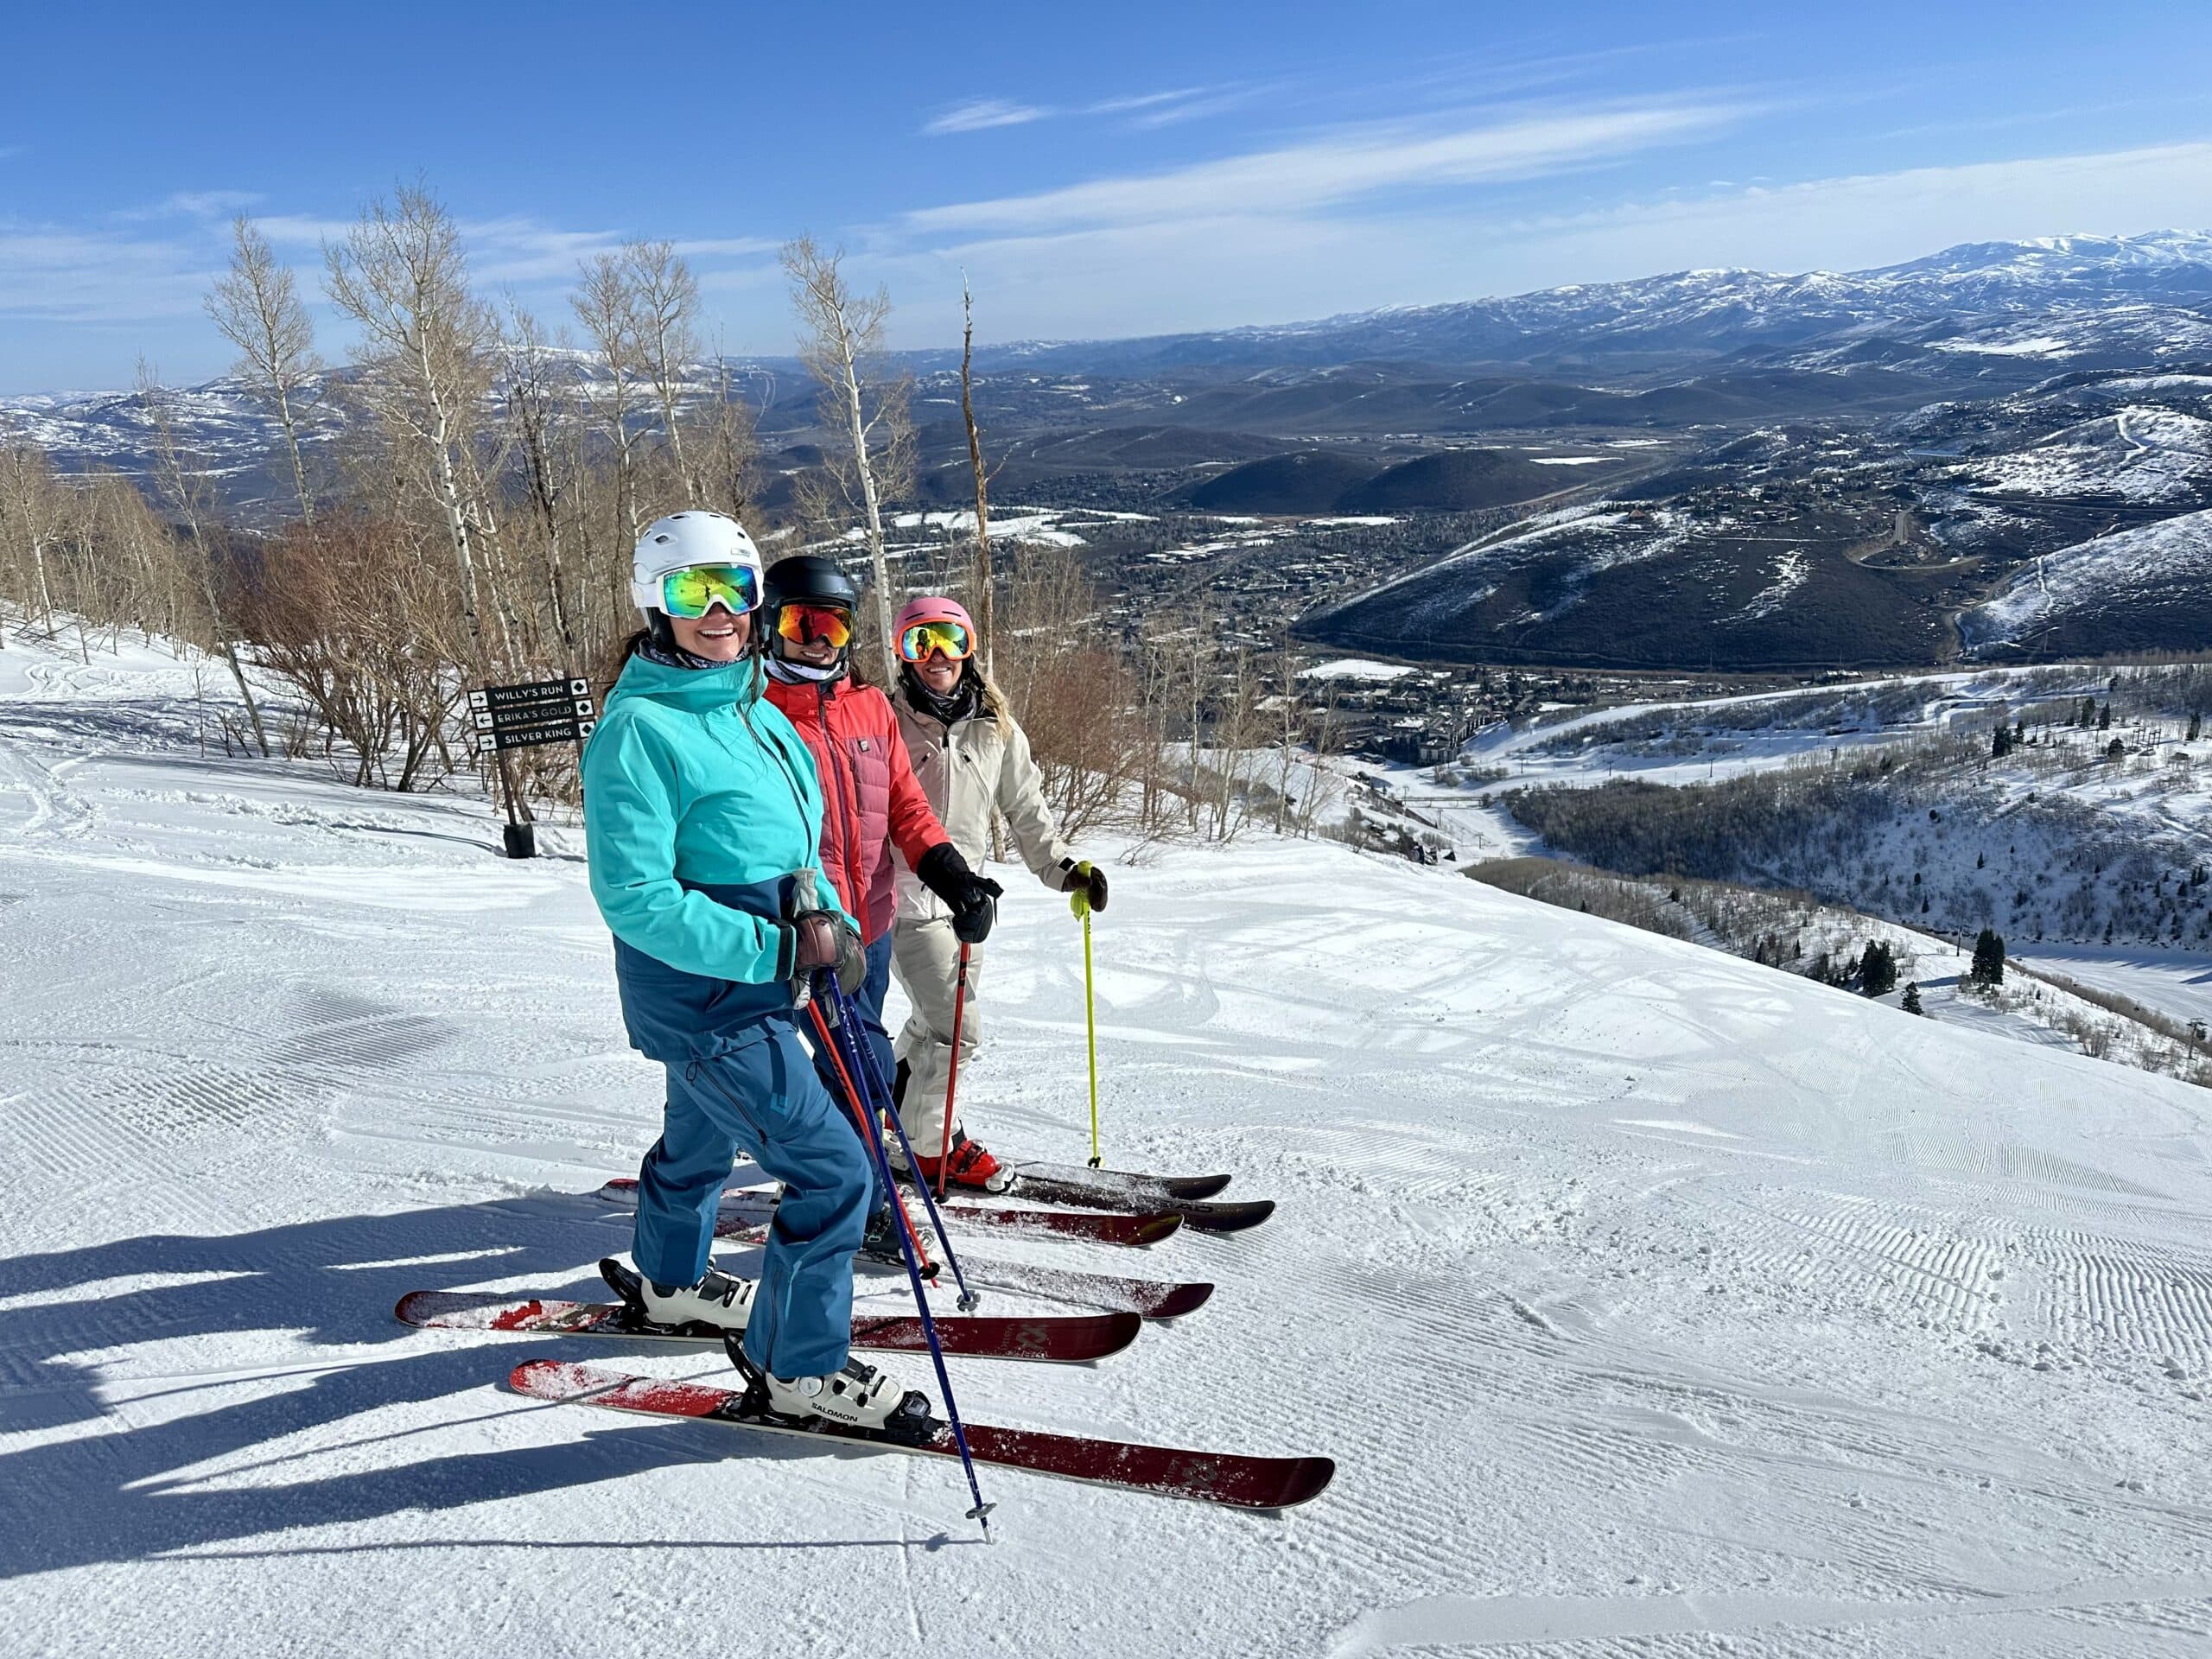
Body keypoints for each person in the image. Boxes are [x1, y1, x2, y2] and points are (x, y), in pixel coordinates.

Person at [581, 509, 917, 1429]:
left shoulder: (752, 712)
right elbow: (638, 899)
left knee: (697, 1140)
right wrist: (777, 948)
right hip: (710, 1001)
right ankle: (795, 1372)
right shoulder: (640, 731)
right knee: (832, 1173)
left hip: (761, 985)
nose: (721, 608)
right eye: (695, 590)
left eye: (737, 587)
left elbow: (802, 855)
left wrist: (835, 929)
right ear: (657, 601)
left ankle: (673, 1284)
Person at [758, 555, 1001, 1237]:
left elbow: (905, 807)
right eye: (802, 622)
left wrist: (954, 874)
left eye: (833, 626)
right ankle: (859, 1208)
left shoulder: (869, 707)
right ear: (771, 626)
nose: (818, 639)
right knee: (861, 1070)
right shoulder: (753, 714)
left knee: (850, 1073)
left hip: (875, 924)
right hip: (806, 936)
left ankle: (821, 1176)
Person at [887, 594, 1110, 1190]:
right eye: (920, 642)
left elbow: (1025, 809)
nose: (936, 656)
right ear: (901, 654)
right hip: (905, 900)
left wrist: (1065, 869)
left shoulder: (996, 726)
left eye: (949, 640)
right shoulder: (885, 720)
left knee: (934, 1024)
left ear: (970, 648)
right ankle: (931, 1148)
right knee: (956, 1031)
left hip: (967, 904)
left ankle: (895, 1109)